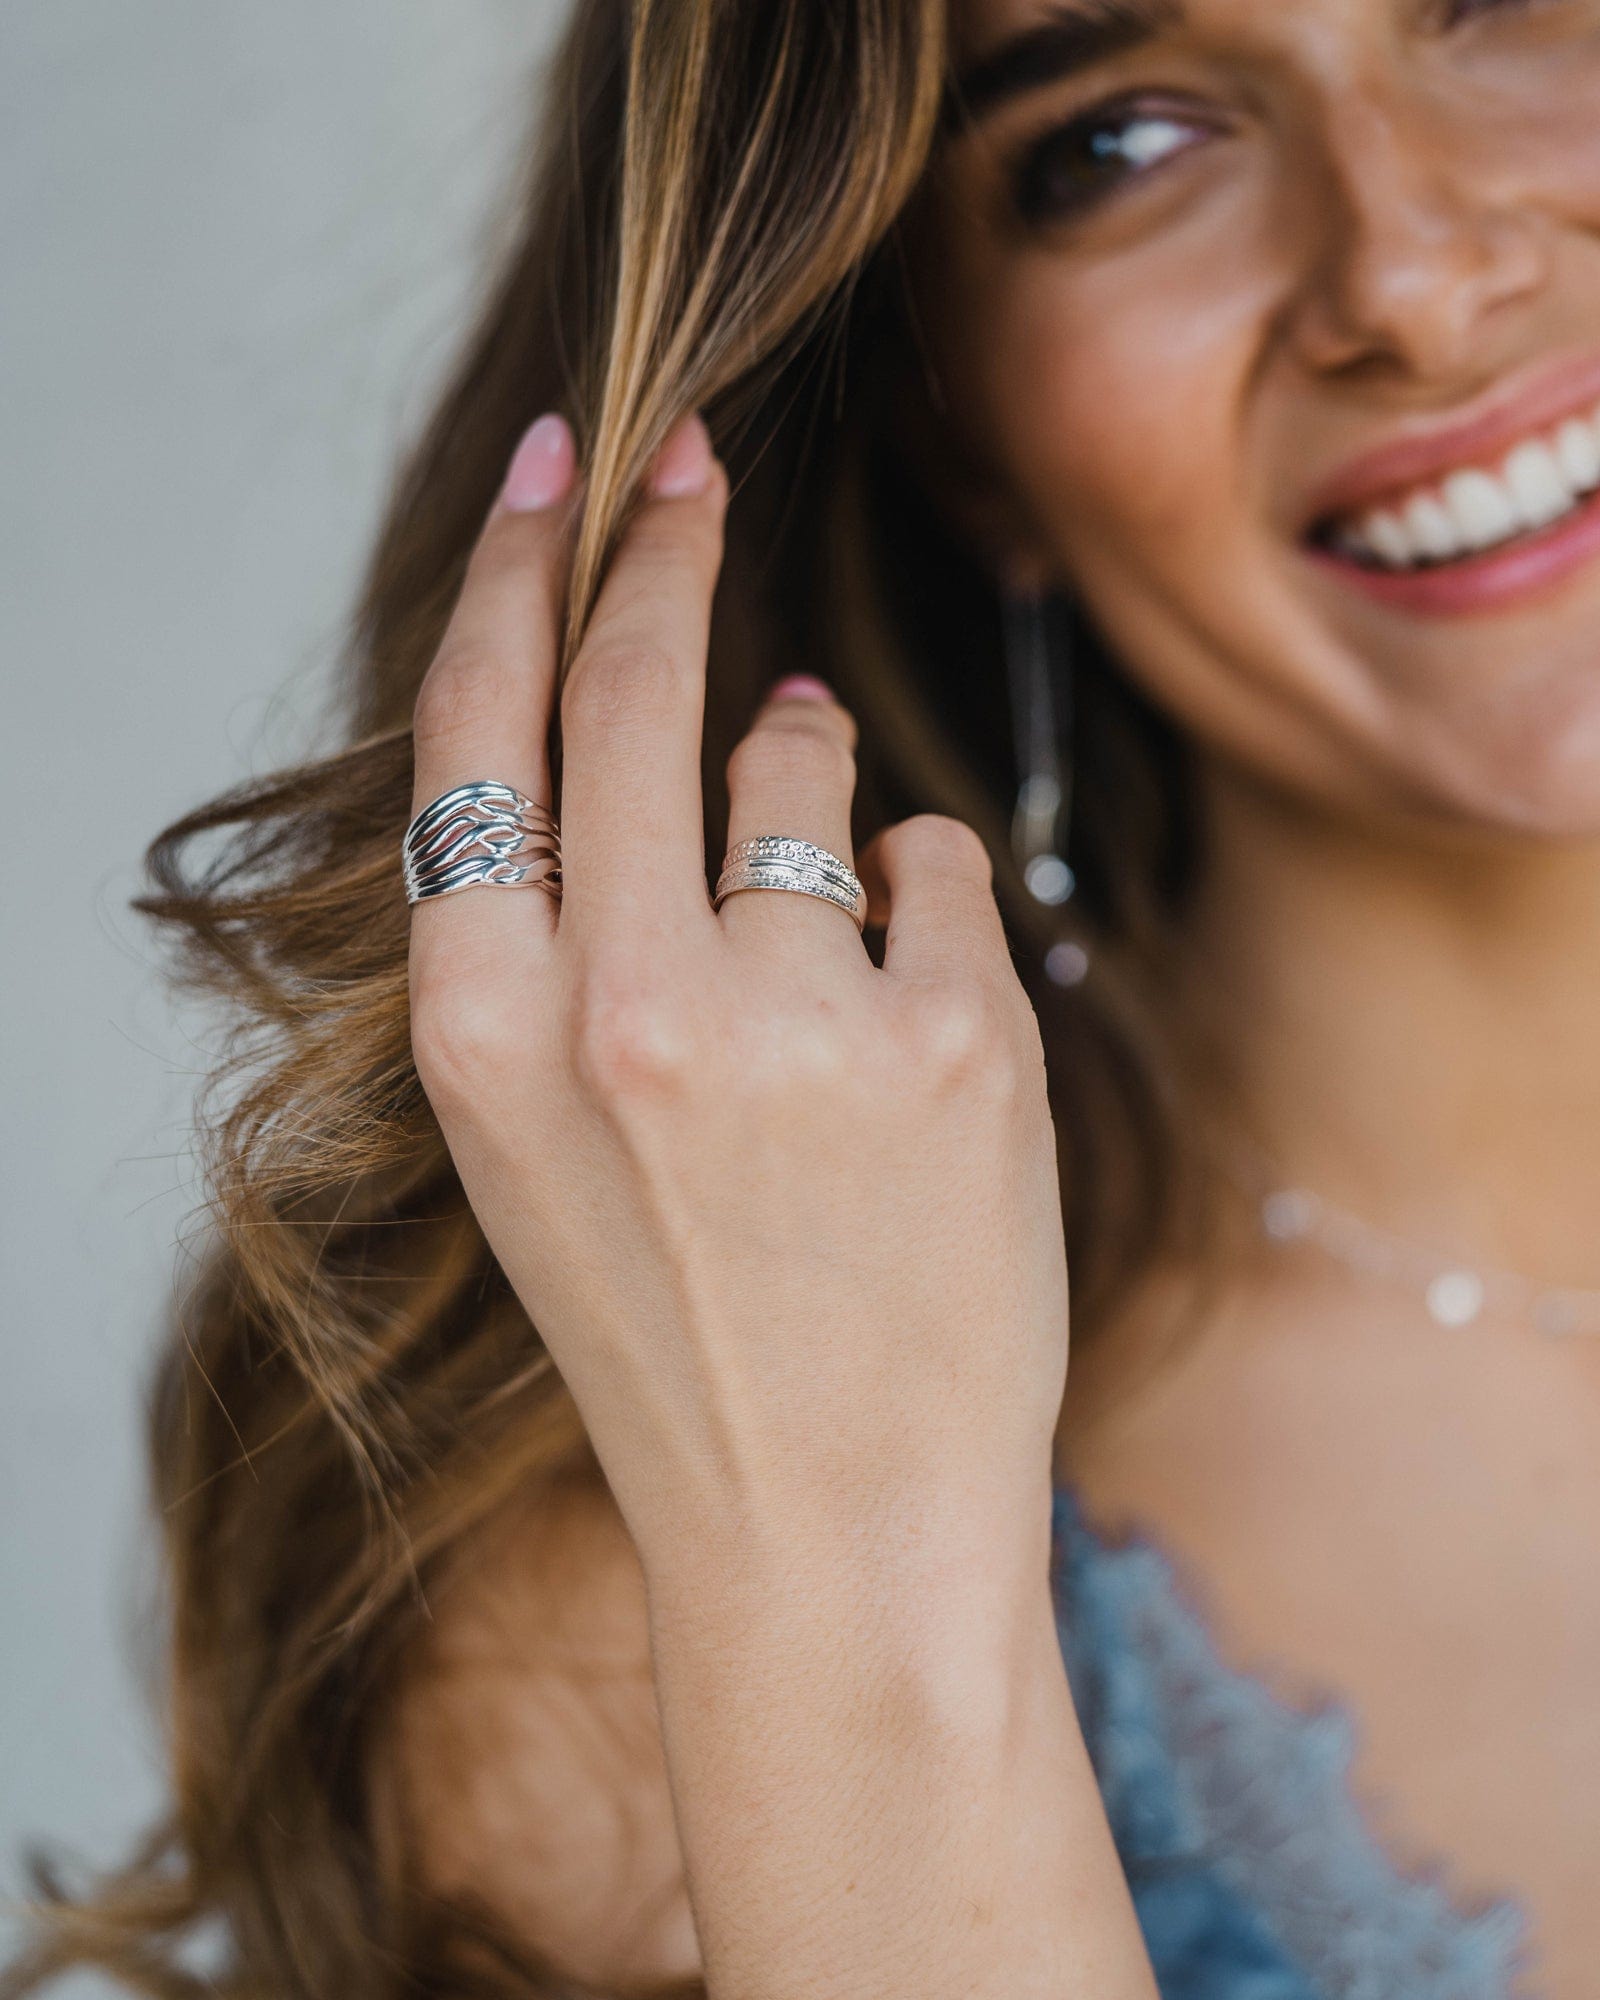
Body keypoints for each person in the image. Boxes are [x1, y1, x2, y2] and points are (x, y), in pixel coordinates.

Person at [7, 0, 1600, 1992]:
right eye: (1114, 142)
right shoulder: (616, 1570)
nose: (1414, 278)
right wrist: (852, 1596)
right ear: (958, 416)